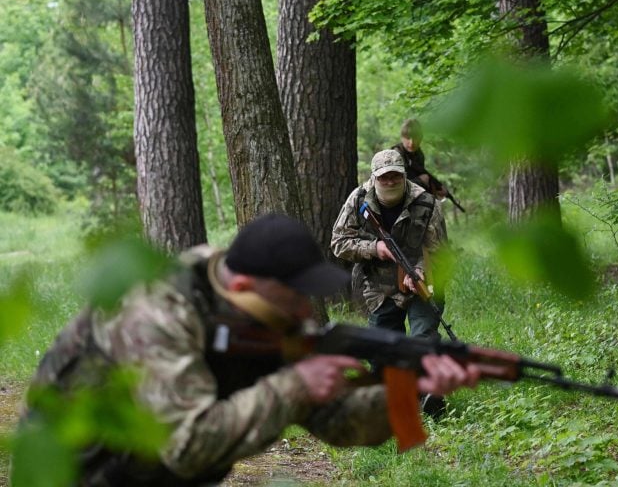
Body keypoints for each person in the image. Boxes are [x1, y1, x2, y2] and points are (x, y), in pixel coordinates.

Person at [25, 213, 477, 486]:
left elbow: (339, 425)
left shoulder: (269, 318)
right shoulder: (158, 312)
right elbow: (187, 446)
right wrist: (294, 385)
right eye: (295, 294)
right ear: (244, 287)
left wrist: (406, 388)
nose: (306, 307)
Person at [331, 150, 449, 416]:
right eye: (384, 177)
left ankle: (429, 395)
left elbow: (440, 251)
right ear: (374, 178)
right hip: (378, 286)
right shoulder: (358, 199)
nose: (391, 181)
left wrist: (418, 271)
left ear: (404, 175)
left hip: (422, 281)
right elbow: (338, 243)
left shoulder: (427, 202)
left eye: (396, 175)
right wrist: (375, 248)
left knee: (423, 337)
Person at [391, 118, 449, 200]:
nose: (411, 143)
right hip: (395, 191)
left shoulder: (418, 154)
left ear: (420, 138)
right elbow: (392, 182)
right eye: (408, 138)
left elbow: (421, 171)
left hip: (411, 191)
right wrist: (421, 181)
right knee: (425, 178)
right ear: (402, 138)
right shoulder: (396, 154)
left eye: (415, 138)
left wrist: (438, 186)